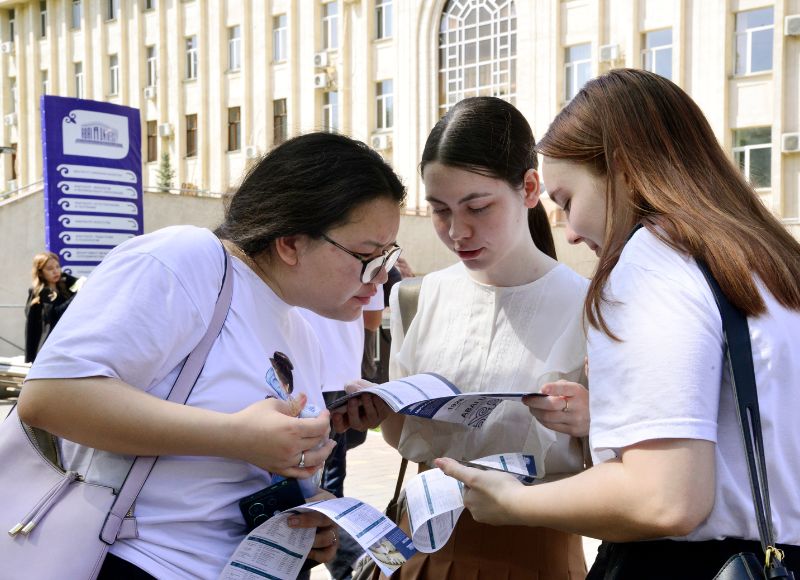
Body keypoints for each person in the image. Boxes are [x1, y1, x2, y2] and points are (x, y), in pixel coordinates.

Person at [435, 69, 800, 578]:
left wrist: (513, 501)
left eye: (567, 200)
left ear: (622, 171)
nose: (569, 230)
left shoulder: (650, 263)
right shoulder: (766, 258)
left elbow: (663, 498)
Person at [17, 132, 406, 579]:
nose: (381, 277)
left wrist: (306, 514)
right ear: (291, 243)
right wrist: (236, 436)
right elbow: (50, 397)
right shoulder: (186, 259)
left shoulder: (299, 329)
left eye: (389, 257)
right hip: (138, 561)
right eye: (368, 256)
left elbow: (234, 477)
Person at [335, 96, 591, 579]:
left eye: (477, 207)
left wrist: (587, 423)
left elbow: (624, 466)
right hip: (423, 546)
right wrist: (381, 408)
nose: (457, 231)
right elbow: (408, 440)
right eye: (440, 210)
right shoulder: (417, 297)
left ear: (529, 188)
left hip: (536, 549)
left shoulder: (588, 306)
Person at [24, 251, 79, 363]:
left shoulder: (64, 284)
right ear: (40, 272)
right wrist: (77, 296)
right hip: (49, 344)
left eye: (57, 267)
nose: (56, 271)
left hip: (67, 341)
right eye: (50, 269)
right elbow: (55, 314)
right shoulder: (40, 292)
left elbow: (81, 282)